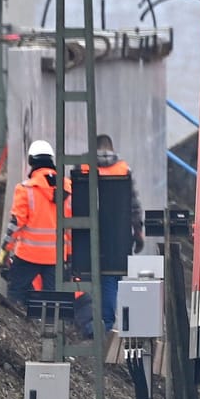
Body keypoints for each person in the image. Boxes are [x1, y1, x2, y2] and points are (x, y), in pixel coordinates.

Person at [73, 132, 140, 329]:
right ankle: (107, 324)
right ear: (111, 148)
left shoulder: (82, 167)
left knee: (85, 276)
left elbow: (73, 201)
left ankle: (89, 324)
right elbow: (133, 204)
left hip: (85, 234)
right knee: (110, 277)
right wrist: (138, 231)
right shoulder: (123, 169)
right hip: (116, 237)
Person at [1, 140, 71, 312]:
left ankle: (19, 332)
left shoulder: (25, 189)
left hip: (28, 255)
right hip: (56, 256)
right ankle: (53, 334)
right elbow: (71, 226)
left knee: (15, 295)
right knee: (54, 302)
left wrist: (5, 250)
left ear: (31, 161)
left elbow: (16, 224)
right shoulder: (68, 187)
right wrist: (69, 254)